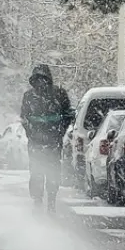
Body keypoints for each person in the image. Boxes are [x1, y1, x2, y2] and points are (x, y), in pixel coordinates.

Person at [19, 64, 74, 212]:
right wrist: (31, 132)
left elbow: (68, 115)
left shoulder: (59, 94)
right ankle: (39, 200)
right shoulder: (29, 96)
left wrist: (59, 131)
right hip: (38, 142)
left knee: (51, 171)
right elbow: (24, 118)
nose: (40, 83)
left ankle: (50, 200)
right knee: (38, 171)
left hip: (52, 142)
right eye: (38, 80)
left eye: (43, 79)